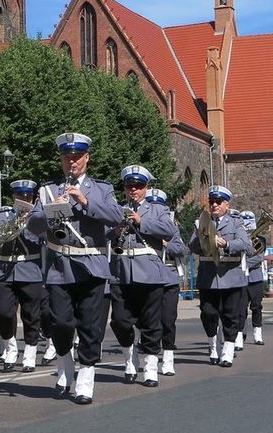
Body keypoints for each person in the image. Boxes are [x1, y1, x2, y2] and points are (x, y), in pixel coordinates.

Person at [26, 133, 120, 405]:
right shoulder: (47, 190)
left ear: (86, 158)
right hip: (60, 267)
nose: (71, 162)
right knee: (61, 323)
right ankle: (65, 363)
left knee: (91, 326)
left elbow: (116, 216)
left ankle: (86, 378)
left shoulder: (102, 189)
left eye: (76, 157)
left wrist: (85, 202)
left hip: (92, 266)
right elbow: (32, 226)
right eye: (67, 157)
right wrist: (51, 210)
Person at [107, 165, 178, 388]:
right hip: (121, 272)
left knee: (151, 322)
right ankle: (130, 357)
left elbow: (168, 230)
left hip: (149, 273)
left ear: (146, 188)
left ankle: (150, 367)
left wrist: (141, 221)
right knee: (119, 321)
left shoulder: (158, 209)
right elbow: (103, 234)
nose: (134, 190)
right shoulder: (117, 209)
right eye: (130, 186)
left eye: (138, 186)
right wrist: (114, 231)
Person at [189, 185, 253, 367]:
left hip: (231, 275)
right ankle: (213, 345)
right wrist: (202, 241)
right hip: (208, 275)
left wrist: (225, 243)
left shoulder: (236, 222)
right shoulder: (201, 222)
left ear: (226, 204)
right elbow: (192, 246)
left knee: (230, 315)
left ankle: (228, 351)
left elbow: (246, 245)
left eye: (218, 202)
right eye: (211, 202)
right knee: (208, 313)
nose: (214, 205)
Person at [0, 179, 46, 373]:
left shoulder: (38, 217)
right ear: (13, 197)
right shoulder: (3, 216)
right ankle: (11, 347)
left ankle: (30, 353)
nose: (24, 199)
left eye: (27, 196)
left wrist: (28, 221)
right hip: (6, 269)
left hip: (30, 268)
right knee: (3, 312)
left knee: (31, 314)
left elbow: (40, 239)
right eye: (20, 196)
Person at [148, 189, 187, 376]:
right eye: (151, 204)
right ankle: (150, 356)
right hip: (147, 276)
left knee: (168, 320)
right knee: (148, 320)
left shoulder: (171, 227)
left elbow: (181, 249)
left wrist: (166, 244)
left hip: (169, 278)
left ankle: (168, 358)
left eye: (159, 205)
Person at [236, 211, 267, 347]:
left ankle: (257, 335)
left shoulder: (260, 239)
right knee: (240, 309)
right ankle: (239, 336)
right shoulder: (237, 238)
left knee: (257, 307)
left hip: (255, 278)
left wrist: (243, 264)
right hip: (241, 279)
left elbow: (259, 257)